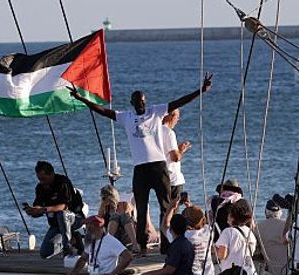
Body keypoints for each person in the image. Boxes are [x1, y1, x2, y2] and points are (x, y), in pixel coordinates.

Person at [69, 74, 214, 254]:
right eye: (138, 102)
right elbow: (103, 111)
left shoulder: (156, 111)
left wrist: (201, 90)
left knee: (165, 206)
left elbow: (179, 102)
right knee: (141, 206)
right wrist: (81, 98)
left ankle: (167, 246)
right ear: (132, 103)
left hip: (159, 166)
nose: (141, 105)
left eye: (143, 102)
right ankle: (142, 246)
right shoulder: (126, 117)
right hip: (140, 168)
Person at [67, 216, 133, 275]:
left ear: (95, 226)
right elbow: (83, 258)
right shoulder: (89, 241)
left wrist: (112, 274)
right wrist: (74, 272)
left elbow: (128, 257)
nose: (86, 228)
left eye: (88, 225)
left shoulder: (111, 241)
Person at [27, 161, 81, 258]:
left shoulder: (62, 182)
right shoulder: (40, 188)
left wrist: (44, 209)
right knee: (45, 253)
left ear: (51, 174)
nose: (41, 182)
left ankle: (67, 249)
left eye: (43, 179)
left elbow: (64, 206)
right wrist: (33, 211)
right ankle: (74, 240)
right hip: (56, 224)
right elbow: (38, 206)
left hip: (73, 218)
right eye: (39, 179)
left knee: (62, 214)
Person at [161, 110, 192, 202]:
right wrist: (181, 150)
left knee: (164, 210)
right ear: (171, 116)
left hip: (161, 177)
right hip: (173, 178)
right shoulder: (169, 133)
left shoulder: (156, 131)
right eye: (177, 117)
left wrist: (177, 149)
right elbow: (175, 158)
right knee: (172, 210)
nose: (178, 120)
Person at [98, 185, 139, 254]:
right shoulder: (104, 208)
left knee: (121, 216)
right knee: (115, 217)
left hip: (125, 236)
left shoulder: (124, 205)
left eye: (107, 196)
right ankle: (108, 243)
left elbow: (131, 218)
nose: (105, 199)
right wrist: (102, 207)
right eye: (103, 197)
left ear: (113, 196)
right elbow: (98, 223)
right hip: (113, 237)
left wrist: (115, 208)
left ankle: (135, 245)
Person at [256, 200, 289, 275]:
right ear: (280, 212)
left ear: (266, 212)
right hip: (287, 270)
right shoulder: (287, 226)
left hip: (268, 272)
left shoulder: (257, 227)